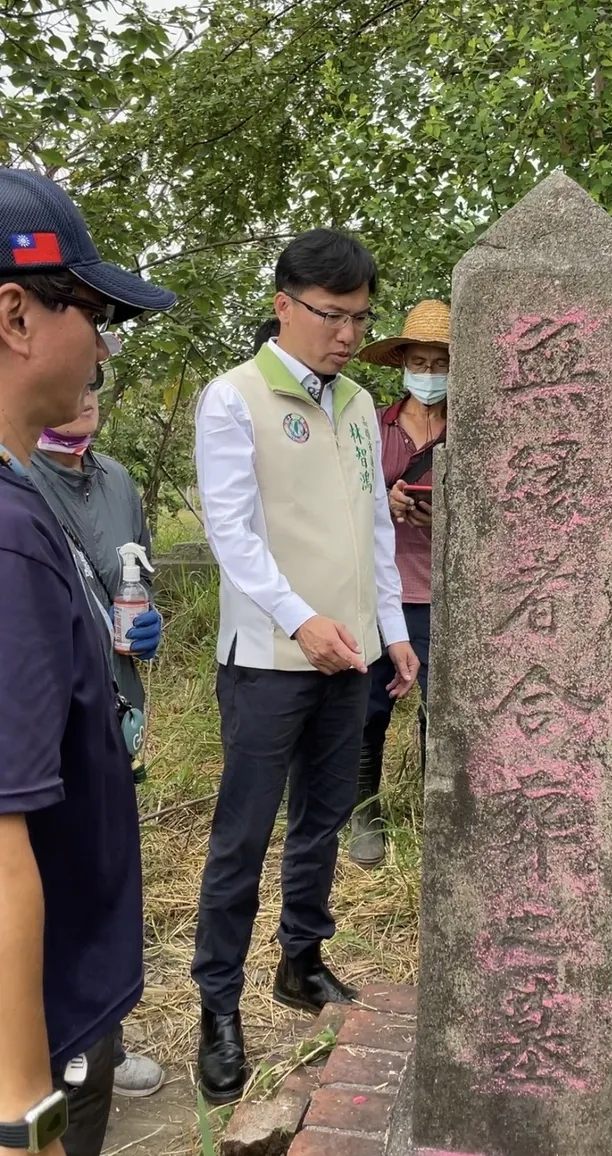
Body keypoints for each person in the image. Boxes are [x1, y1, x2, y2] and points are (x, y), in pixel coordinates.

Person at [192, 228, 419, 1104]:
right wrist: (301, 620)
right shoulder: (233, 399)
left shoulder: (360, 405)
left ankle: (301, 959)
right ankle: (218, 1003)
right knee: (242, 836)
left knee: (322, 819)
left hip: (351, 652)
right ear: (285, 304)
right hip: (270, 657)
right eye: (333, 316)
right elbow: (233, 534)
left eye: (361, 318)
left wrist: (389, 626)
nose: (350, 335)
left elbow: (373, 527)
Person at [0, 167, 174, 1156]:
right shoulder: (8, 530)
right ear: (16, 312)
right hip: (37, 1022)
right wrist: (24, 1116)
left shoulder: (28, 500)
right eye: (94, 313)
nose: (104, 345)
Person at [30, 369, 165, 1100]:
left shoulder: (116, 480)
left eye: (96, 384)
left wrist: (147, 633)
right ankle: (43, 1059)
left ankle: (100, 1042)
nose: (86, 398)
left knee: (103, 879)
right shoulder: (17, 473)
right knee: (37, 882)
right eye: (72, 383)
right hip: (42, 714)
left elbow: (135, 573)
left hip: (116, 710)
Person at [350, 301, 450, 866]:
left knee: (444, 709)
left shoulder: (476, 432)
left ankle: (442, 816)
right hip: (383, 593)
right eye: (420, 360)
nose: (429, 372)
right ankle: (366, 810)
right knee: (370, 707)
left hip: (446, 596)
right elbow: (351, 501)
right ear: (402, 363)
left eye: (440, 363)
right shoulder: (374, 427)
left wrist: (446, 517)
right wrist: (386, 505)